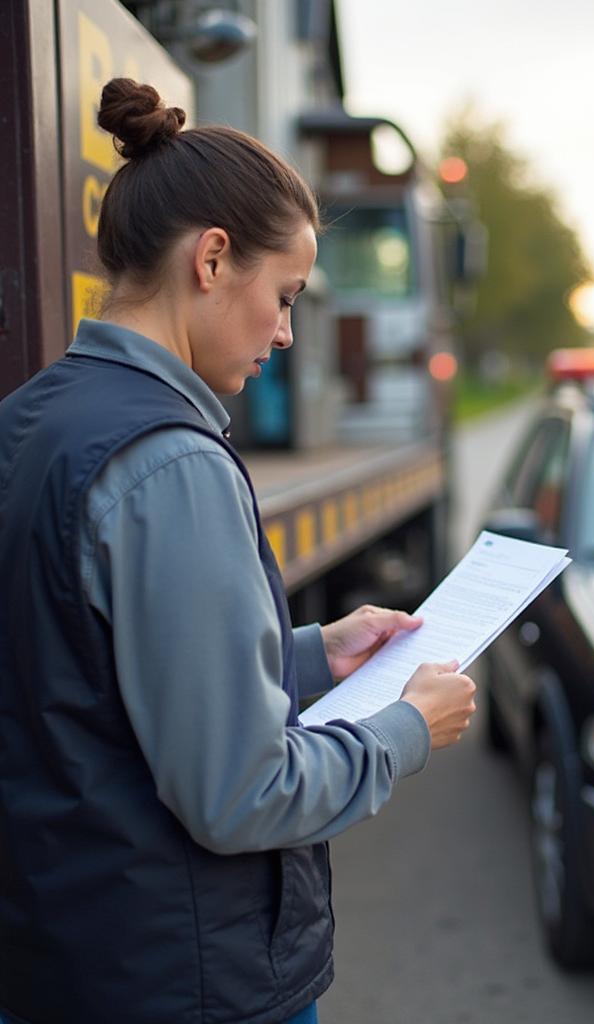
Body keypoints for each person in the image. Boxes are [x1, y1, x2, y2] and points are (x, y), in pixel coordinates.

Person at [0, 78, 476, 1024]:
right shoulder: (169, 465)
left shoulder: (32, 418)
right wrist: (404, 731)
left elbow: (73, 675)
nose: (289, 332)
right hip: (178, 984)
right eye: (286, 295)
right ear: (213, 259)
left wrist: (311, 654)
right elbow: (242, 794)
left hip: (57, 957)